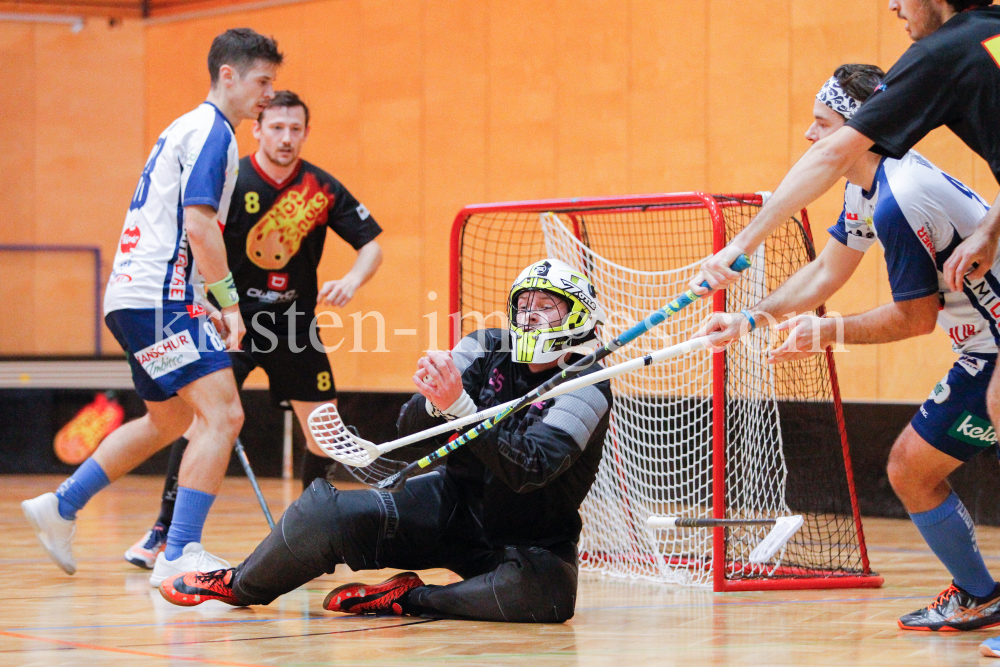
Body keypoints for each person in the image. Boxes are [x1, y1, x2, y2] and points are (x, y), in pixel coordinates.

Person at [695, 65, 1000, 632]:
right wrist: (750, 318)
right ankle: (980, 595)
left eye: (822, 124)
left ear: (861, 125)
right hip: (982, 350)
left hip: (994, 349)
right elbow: (828, 269)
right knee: (911, 468)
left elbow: (914, 319)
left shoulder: (900, 199)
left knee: (910, 468)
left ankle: (980, 595)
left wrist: (828, 332)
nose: (811, 137)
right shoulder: (869, 186)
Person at [156, 259, 612, 623]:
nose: (530, 315)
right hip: (450, 507)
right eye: (524, 303)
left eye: (547, 306)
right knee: (323, 512)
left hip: (532, 544)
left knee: (547, 600)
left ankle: (413, 597)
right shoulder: (485, 345)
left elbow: (529, 470)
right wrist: (436, 402)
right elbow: (408, 435)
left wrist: (464, 410)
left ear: (577, 318)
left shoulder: (588, 385)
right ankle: (239, 583)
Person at [21, 29, 283, 588]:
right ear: (228, 76)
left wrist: (194, 298)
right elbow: (198, 225)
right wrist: (229, 304)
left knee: (170, 418)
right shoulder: (213, 132)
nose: (268, 94)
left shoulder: (183, 127)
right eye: (262, 81)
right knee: (225, 415)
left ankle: (62, 506)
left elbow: (173, 232)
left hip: (135, 297)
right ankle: (180, 549)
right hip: (155, 298)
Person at [123, 90, 384, 571]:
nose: (286, 138)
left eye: (296, 129)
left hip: (296, 327)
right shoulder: (231, 177)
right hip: (231, 324)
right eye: (277, 128)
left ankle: (312, 530)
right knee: (204, 419)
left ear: (306, 132)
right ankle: (164, 528)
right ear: (258, 129)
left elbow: (372, 245)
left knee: (323, 434)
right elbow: (195, 237)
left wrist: (352, 278)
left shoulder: (320, 189)